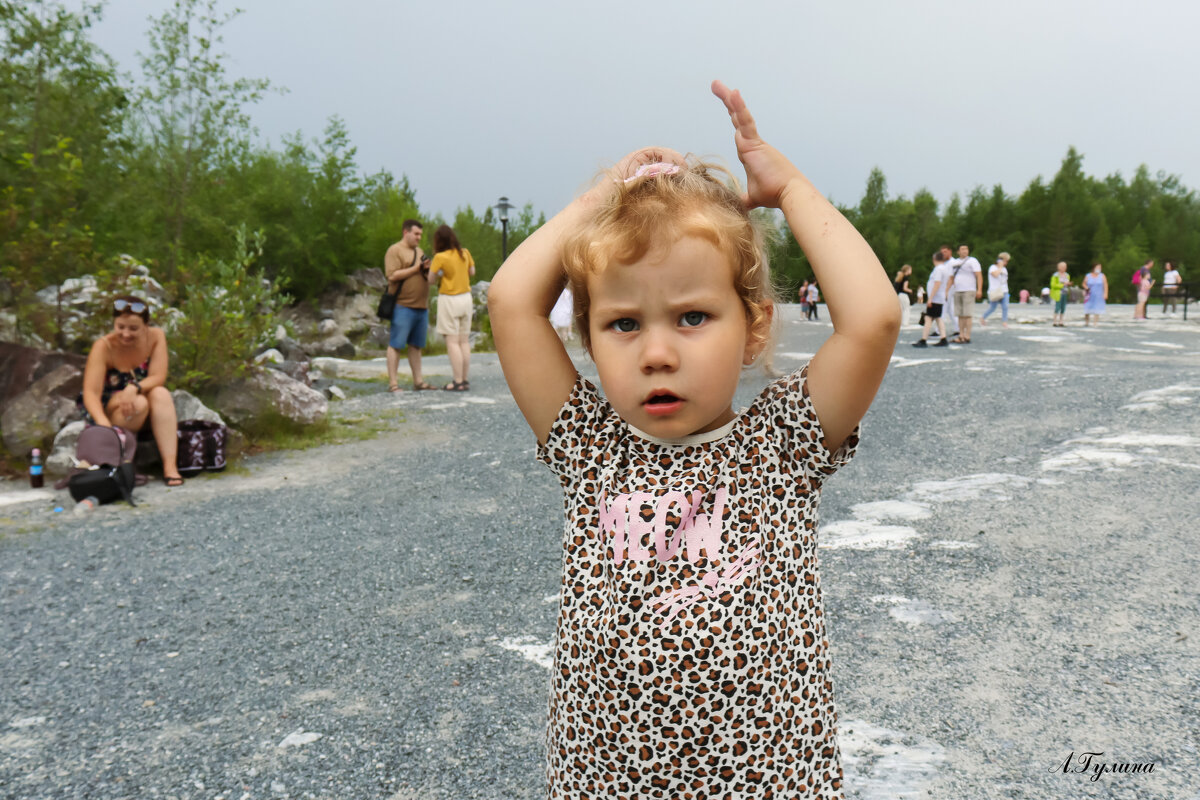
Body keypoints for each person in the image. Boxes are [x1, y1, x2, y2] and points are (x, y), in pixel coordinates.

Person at [488, 80, 901, 799]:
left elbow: (872, 318)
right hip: (606, 780)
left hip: (763, 779)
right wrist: (603, 200)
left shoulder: (781, 445)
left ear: (756, 328)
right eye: (623, 323)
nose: (656, 352)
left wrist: (789, 187)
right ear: (587, 337)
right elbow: (510, 302)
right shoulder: (592, 447)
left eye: (691, 317)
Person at [78, 296, 184, 486]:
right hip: (113, 410)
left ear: (146, 325)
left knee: (161, 393)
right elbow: (91, 394)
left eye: (133, 328)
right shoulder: (103, 346)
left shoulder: (156, 337)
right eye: (120, 327)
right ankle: (123, 453)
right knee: (140, 403)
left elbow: (159, 376)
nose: (126, 333)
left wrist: (133, 387)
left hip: (141, 396)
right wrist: (105, 427)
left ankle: (170, 466)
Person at [383, 219, 434, 392]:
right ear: (406, 232)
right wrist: (417, 269)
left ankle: (418, 382)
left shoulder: (419, 251)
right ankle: (393, 384)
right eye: (416, 234)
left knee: (416, 345)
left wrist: (427, 270)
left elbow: (422, 273)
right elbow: (392, 275)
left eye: (421, 234)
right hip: (402, 306)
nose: (419, 237)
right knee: (396, 344)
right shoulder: (394, 250)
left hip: (421, 306)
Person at [430, 224, 476, 391]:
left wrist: (440, 273)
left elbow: (430, 280)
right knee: (464, 341)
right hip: (466, 298)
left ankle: (456, 381)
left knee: (452, 342)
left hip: (449, 299)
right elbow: (472, 272)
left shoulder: (440, 257)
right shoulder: (465, 252)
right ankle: (464, 379)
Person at [912, 250, 951, 347]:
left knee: (928, 318)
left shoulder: (938, 269)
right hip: (940, 297)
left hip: (935, 298)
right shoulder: (945, 268)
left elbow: (937, 283)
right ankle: (943, 338)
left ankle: (924, 339)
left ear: (934, 259)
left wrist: (930, 298)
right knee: (938, 318)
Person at [946, 244, 982, 342]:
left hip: (969, 290)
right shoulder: (954, 263)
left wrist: (979, 289)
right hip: (958, 290)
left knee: (968, 314)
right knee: (960, 314)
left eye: (966, 249)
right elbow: (951, 278)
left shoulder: (972, 261)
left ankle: (967, 335)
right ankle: (961, 335)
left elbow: (978, 275)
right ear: (958, 251)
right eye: (962, 249)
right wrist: (946, 290)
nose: (965, 251)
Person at [980, 252, 1010, 327]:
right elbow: (995, 275)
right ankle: (983, 317)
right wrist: (1000, 267)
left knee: (1005, 307)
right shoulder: (992, 267)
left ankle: (1004, 322)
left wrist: (1002, 268)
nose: (1006, 263)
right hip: (994, 291)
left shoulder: (1005, 269)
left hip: (1004, 290)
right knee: (993, 307)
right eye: (1005, 261)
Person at [1049, 262, 1072, 326]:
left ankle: (1061, 321)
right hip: (1058, 293)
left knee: (1063, 307)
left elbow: (1067, 283)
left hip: (1065, 292)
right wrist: (1062, 285)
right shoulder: (1055, 275)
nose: (1064, 268)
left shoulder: (1067, 275)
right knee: (1057, 307)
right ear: (1059, 267)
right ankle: (1054, 321)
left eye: (1065, 267)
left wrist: (1068, 284)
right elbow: (1053, 285)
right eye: (1062, 267)